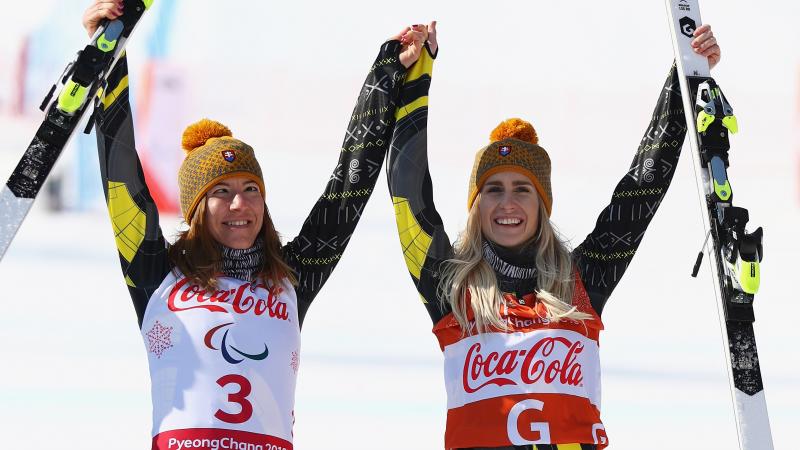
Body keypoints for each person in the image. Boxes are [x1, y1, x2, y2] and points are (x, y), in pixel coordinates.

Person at [82, 1, 429, 448]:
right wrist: (109, 53)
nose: (240, 203)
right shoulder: (157, 274)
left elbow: (349, 182)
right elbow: (123, 177)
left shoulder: (290, 275)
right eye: (221, 193)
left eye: (251, 189)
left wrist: (388, 73)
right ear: (195, 210)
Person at [387, 21, 720, 450]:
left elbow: (641, 189)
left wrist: (686, 74)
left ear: (542, 204)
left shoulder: (578, 281)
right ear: (476, 206)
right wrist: (416, 76)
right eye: (493, 189)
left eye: (522, 189)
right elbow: (408, 191)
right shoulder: (451, 288)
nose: (507, 204)